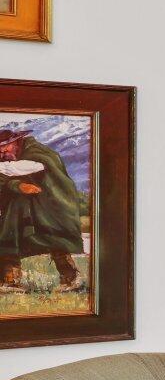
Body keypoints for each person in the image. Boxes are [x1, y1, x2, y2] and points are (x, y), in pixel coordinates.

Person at [0, 125, 88, 292]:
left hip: (50, 204)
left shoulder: (39, 153)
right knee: (8, 236)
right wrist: (17, 185)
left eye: (5, 148)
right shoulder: (8, 159)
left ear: (16, 142)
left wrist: (16, 182)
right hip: (20, 207)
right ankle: (9, 281)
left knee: (54, 237)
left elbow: (30, 167)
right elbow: (5, 179)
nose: (3, 153)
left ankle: (70, 279)